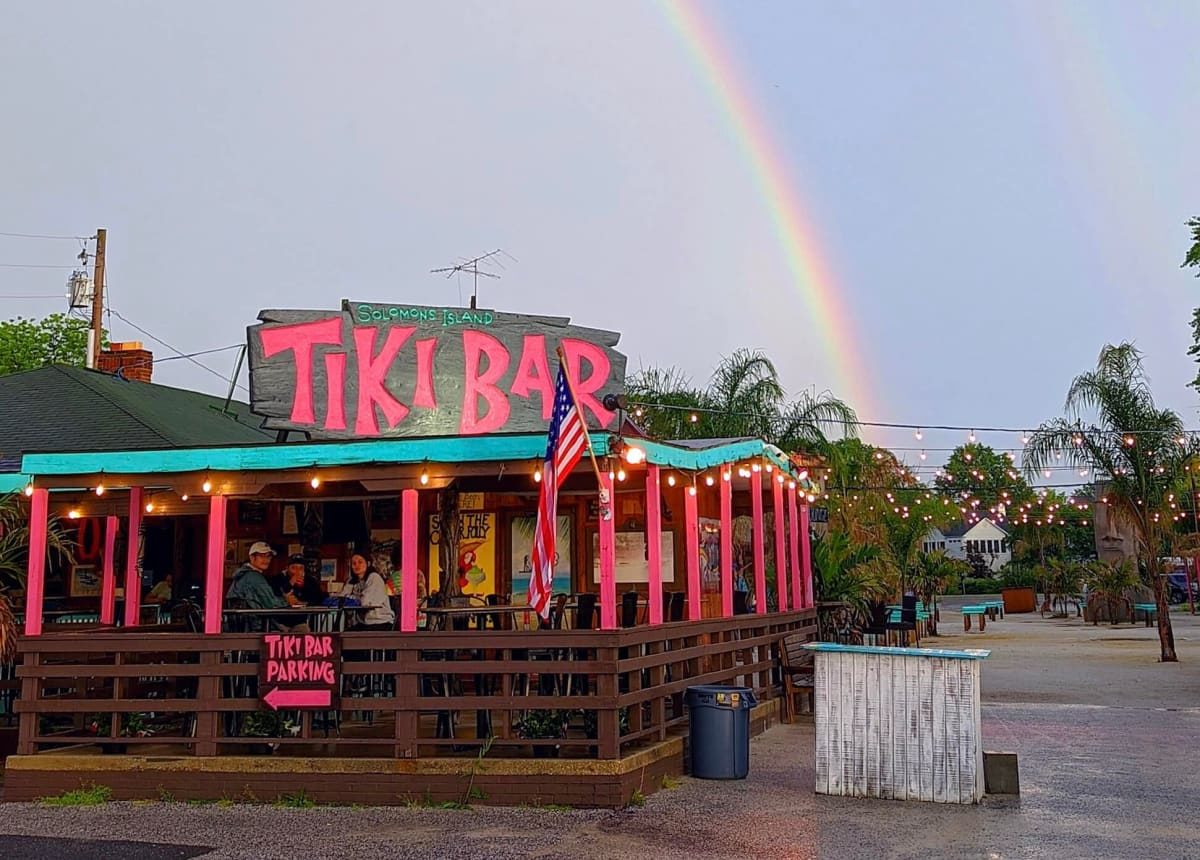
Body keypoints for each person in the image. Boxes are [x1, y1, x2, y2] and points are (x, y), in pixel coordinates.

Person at [226, 542, 309, 633]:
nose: (266, 560)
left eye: (268, 556)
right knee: (301, 629)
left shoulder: (244, 575)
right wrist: (287, 600)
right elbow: (271, 604)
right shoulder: (254, 577)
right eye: (262, 556)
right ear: (252, 557)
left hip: (250, 625)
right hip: (257, 626)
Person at [348, 552, 395, 630]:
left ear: (368, 563)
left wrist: (351, 598)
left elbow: (365, 602)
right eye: (354, 563)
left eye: (360, 562)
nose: (357, 565)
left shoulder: (374, 578)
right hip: (364, 623)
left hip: (380, 622)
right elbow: (342, 596)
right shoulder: (353, 581)